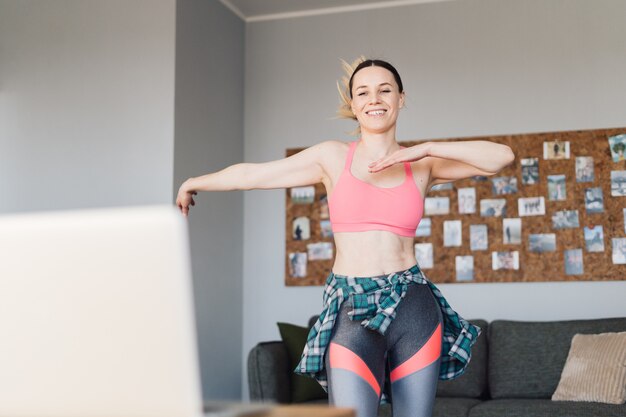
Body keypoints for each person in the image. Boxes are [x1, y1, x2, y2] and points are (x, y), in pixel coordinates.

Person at [176, 57, 515, 417]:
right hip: (351, 307)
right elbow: (254, 175)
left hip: (414, 307)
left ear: (401, 98)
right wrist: (194, 182)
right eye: (363, 92)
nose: (375, 99)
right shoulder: (332, 157)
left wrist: (427, 148)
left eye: (385, 90)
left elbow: (502, 157)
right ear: (353, 105)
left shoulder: (422, 164)